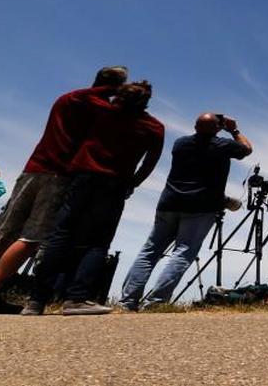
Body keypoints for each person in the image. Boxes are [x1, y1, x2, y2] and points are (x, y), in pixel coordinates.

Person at [0, 66, 128, 316]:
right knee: (31, 237)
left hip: (32, 169)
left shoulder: (67, 98)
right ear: (119, 85)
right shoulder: (103, 109)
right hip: (60, 174)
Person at [26, 81, 165, 316]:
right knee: (98, 241)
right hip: (116, 183)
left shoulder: (100, 109)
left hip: (82, 176)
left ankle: (36, 300)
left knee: (61, 234)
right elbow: (150, 161)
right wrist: (134, 182)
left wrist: (113, 86)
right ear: (146, 102)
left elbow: (77, 96)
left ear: (119, 96)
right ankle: (77, 298)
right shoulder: (153, 126)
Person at [119, 113, 253, 310]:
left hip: (169, 202)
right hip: (200, 208)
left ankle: (127, 301)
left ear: (195, 126)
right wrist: (233, 129)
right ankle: (155, 303)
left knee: (150, 251)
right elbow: (246, 149)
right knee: (183, 252)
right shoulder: (222, 146)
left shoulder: (180, 144)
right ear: (218, 128)